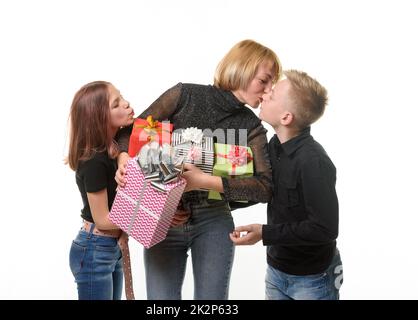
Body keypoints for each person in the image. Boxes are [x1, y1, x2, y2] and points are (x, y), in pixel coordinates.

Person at [116, 40, 282, 299]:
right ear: (242, 69)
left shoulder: (252, 126)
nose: (269, 90)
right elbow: (130, 132)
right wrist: (123, 159)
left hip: (214, 220)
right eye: (265, 80)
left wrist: (202, 180)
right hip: (165, 218)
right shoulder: (184, 96)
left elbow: (265, 188)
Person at [230, 70, 343, 300]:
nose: (264, 94)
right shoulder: (274, 146)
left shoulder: (314, 162)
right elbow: (263, 189)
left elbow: (325, 228)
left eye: (271, 95)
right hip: (277, 271)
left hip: (314, 280)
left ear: (286, 118)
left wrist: (264, 232)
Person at [67, 81, 134, 300]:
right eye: (116, 104)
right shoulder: (94, 161)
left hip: (109, 248)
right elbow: (103, 219)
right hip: (94, 249)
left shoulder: (115, 151)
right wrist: (148, 217)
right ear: (99, 117)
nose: (126, 104)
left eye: (122, 97)